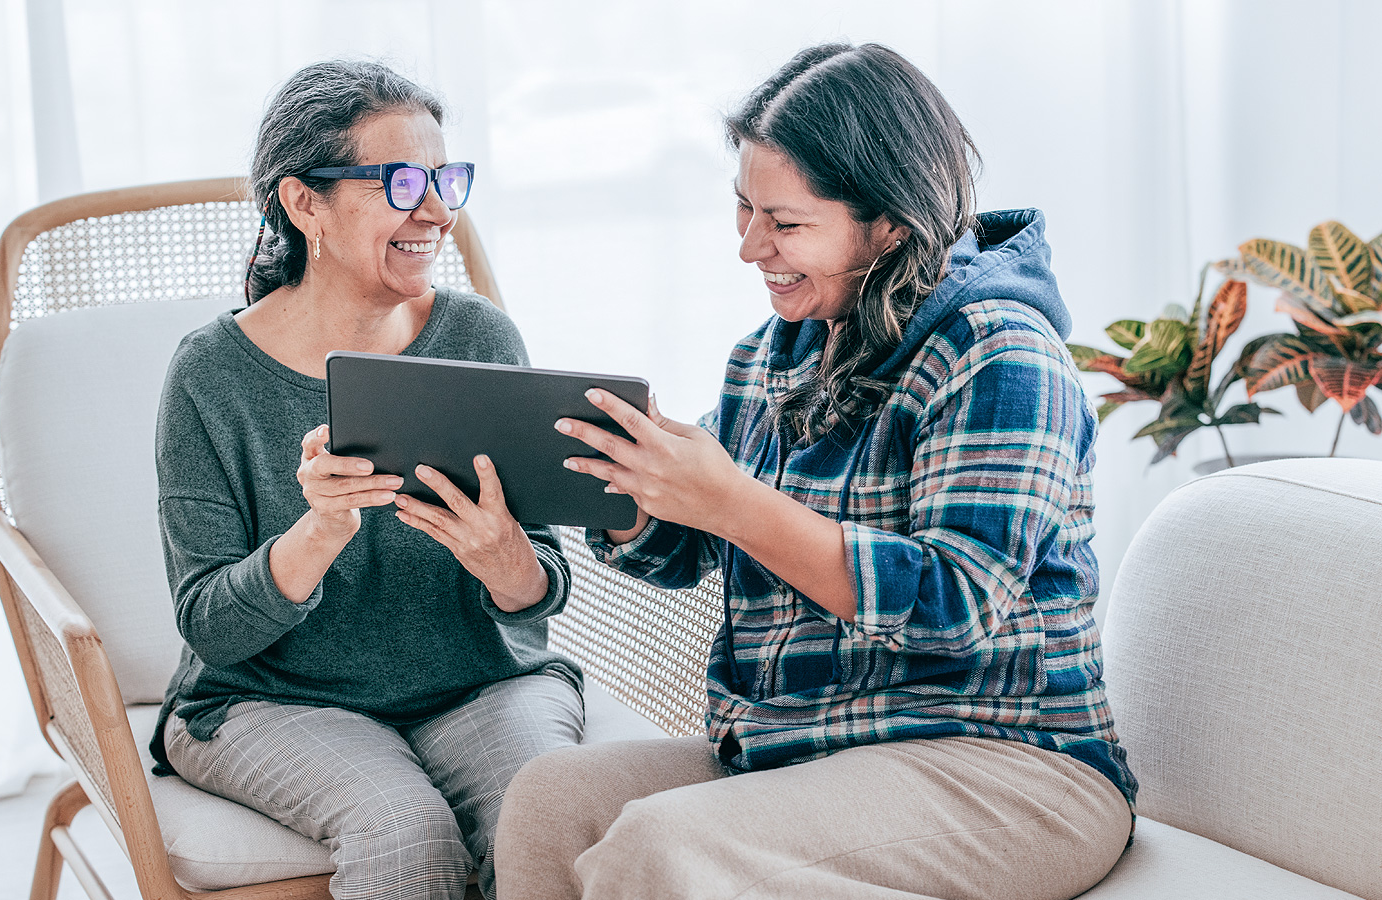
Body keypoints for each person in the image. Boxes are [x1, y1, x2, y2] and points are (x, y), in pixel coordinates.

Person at [495, 43, 1137, 900]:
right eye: (744, 208)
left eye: (786, 223)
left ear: (891, 224)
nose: (751, 246)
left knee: (659, 844)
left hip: (1009, 767)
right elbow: (692, 549)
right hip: (809, 748)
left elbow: (952, 608)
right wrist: (624, 492)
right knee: (549, 799)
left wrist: (734, 503)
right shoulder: (773, 353)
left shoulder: (1001, 355)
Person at [149, 59, 583, 900]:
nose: (437, 211)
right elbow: (209, 627)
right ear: (303, 201)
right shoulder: (210, 375)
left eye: (445, 178)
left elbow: (541, 589)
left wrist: (504, 562)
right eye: (400, 181)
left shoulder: (481, 339)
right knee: (404, 832)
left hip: (480, 685)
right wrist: (316, 535)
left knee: (545, 817)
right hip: (267, 701)